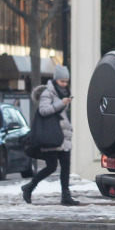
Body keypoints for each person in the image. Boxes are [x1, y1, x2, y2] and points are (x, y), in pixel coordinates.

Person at [22, 65, 81, 205]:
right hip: (52, 136)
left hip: (63, 136)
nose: (65, 84)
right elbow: (43, 110)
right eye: (62, 81)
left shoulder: (64, 92)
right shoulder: (48, 93)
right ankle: (29, 187)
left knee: (66, 167)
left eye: (66, 81)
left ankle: (66, 196)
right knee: (51, 166)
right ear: (55, 80)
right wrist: (61, 103)